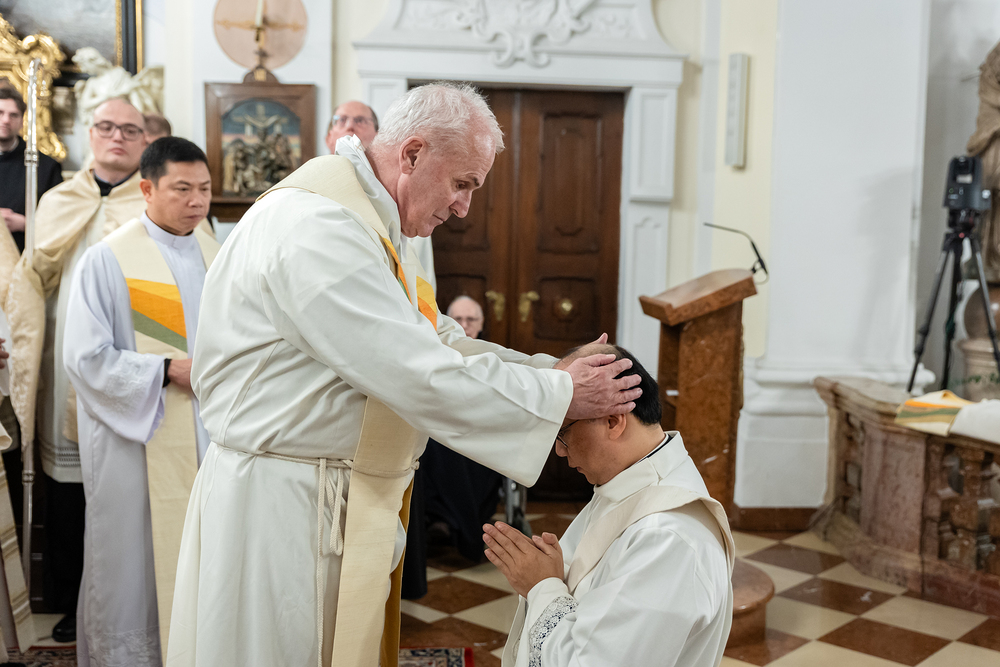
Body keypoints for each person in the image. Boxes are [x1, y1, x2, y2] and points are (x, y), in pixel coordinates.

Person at [166, 82, 641, 667]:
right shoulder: (318, 226)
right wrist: (560, 394)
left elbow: (436, 339)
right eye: (462, 183)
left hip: (328, 491)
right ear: (412, 154)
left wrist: (551, 372)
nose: (464, 207)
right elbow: (416, 371)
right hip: (282, 506)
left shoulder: (372, 224)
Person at [64, 137, 219, 666]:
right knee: (132, 561)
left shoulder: (216, 255)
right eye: (182, 189)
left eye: (204, 189)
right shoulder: (107, 260)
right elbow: (85, 358)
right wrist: (165, 370)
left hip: (208, 437)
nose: (197, 201)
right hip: (135, 440)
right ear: (147, 189)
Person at [485, 343, 735, 667]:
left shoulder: (667, 537)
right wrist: (555, 574)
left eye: (562, 432)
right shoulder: (626, 484)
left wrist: (542, 585)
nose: (559, 451)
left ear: (614, 421)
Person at [5, 96, 147, 643]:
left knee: (125, 488)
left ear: (144, 140)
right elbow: (29, 279)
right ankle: (68, 602)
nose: (117, 137)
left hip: (132, 361)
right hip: (65, 363)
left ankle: (129, 600)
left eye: (129, 129)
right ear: (90, 133)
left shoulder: (153, 202)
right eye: (107, 126)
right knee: (67, 491)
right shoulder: (58, 199)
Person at [0, 86, 63, 253]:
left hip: (24, 254)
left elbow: (60, 221)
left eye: (13, 115)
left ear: (22, 121)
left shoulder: (46, 166)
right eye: (0, 113)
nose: (5, 120)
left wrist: (24, 223)